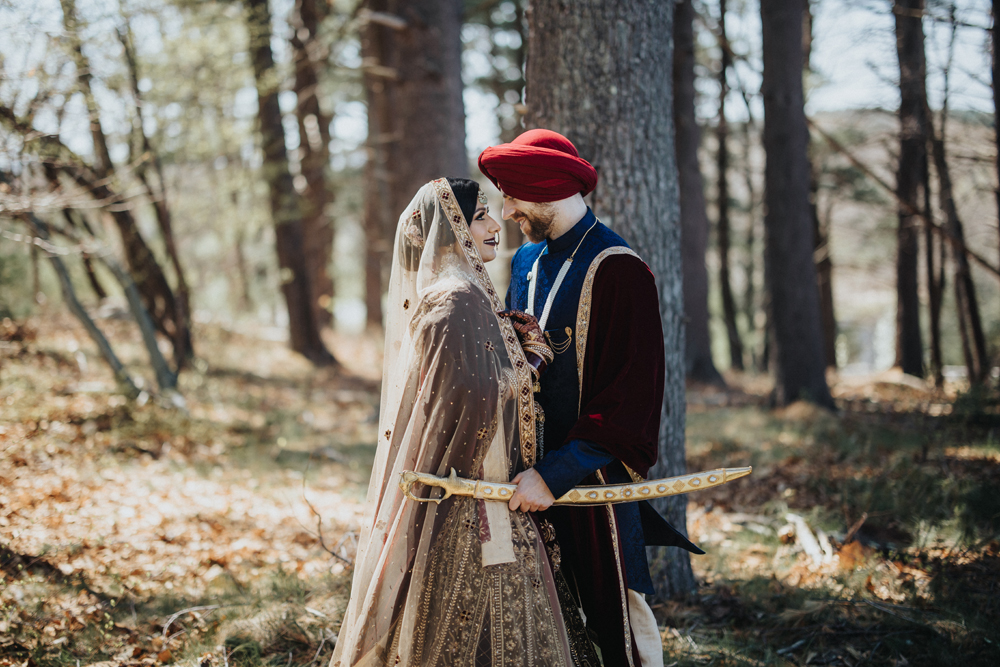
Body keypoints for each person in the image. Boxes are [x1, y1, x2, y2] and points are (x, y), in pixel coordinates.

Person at [330, 177, 583, 667]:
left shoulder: (462, 295)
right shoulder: (457, 298)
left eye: (490, 214)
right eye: (480, 217)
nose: (494, 227)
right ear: (451, 230)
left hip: (476, 493)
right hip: (477, 502)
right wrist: (533, 361)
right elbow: (474, 399)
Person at [479, 130, 704, 667]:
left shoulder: (620, 269)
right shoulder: (525, 262)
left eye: (512, 196)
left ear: (547, 189)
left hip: (589, 484)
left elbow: (629, 400)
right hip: (519, 480)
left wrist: (555, 475)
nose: (506, 210)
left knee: (616, 622)